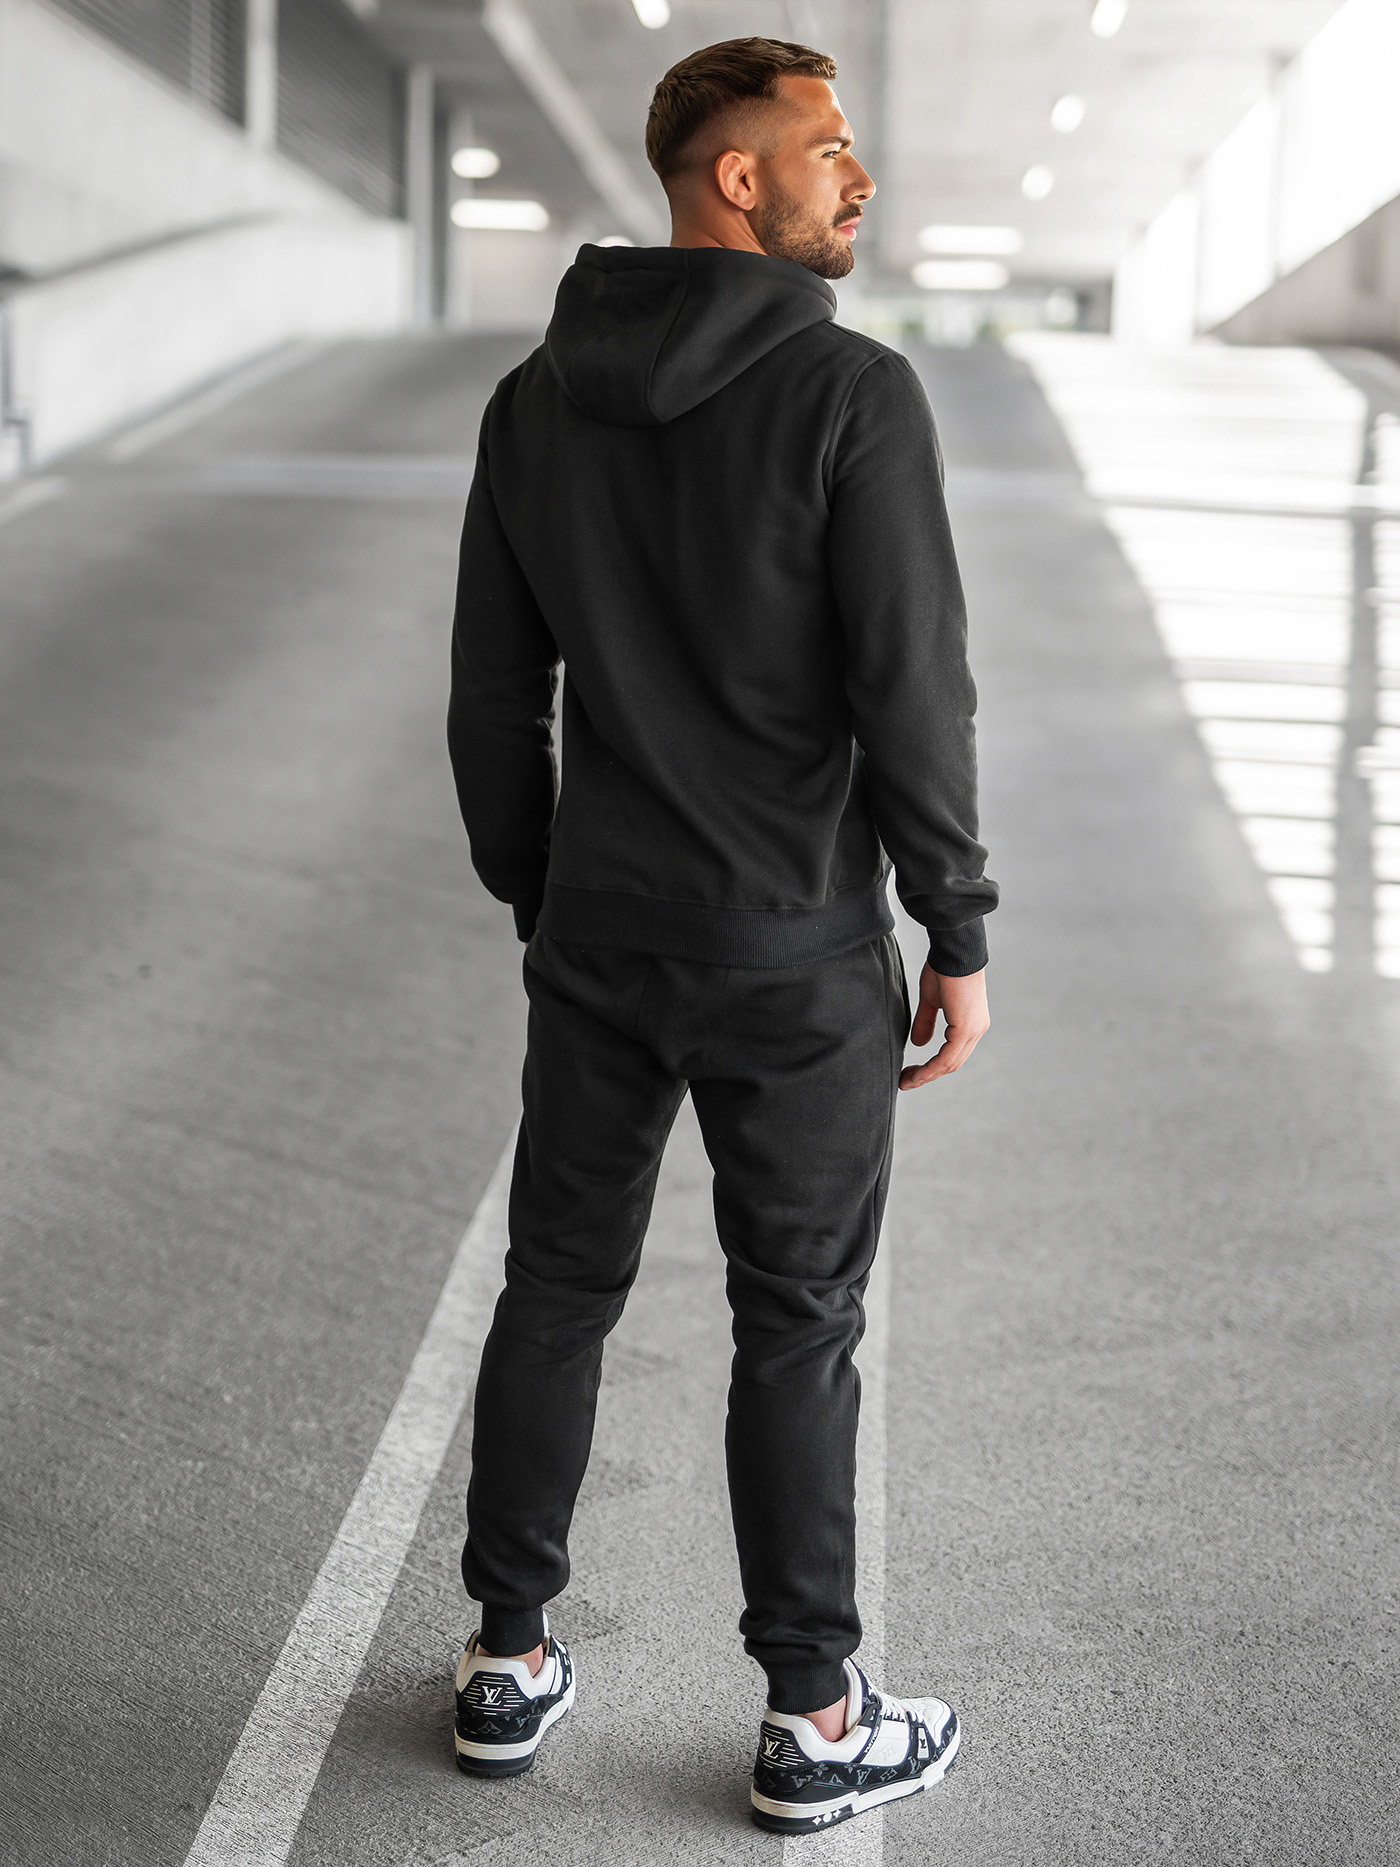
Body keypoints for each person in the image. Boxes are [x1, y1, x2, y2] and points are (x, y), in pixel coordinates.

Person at [445, 35, 996, 1835]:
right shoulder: (851, 393)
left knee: (557, 1286)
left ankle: (507, 1659)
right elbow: (912, 689)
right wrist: (955, 921)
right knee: (799, 1321)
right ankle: (813, 1717)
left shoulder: (536, 399)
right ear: (738, 178)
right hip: (794, 951)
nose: (859, 174)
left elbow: (492, 695)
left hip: (602, 937)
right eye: (829, 147)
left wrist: (544, 891)